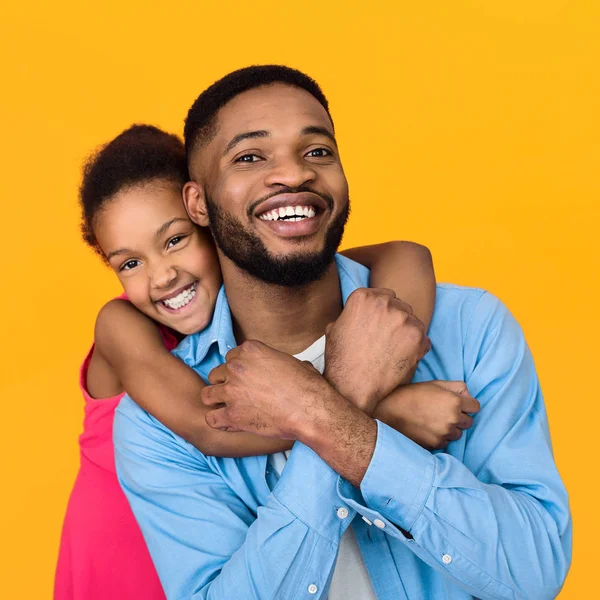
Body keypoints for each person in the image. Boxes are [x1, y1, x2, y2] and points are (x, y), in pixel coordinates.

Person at [114, 66, 571, 599]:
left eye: (317, 152)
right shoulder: (157, 423)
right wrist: (353, 402)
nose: (293, 175)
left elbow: (535, 574)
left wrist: (326, 417)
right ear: (198, 204)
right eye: (250, 157)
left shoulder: (471, 329)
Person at [55, 124, 464, 599]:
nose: (161, 275)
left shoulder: (261, 280)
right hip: (123, 557)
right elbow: (208, 426)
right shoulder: (120, 324)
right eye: (129, 263)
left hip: (212, 536)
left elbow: (407, 255)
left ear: (210, 216)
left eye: (174, 240)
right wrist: (381, 413)